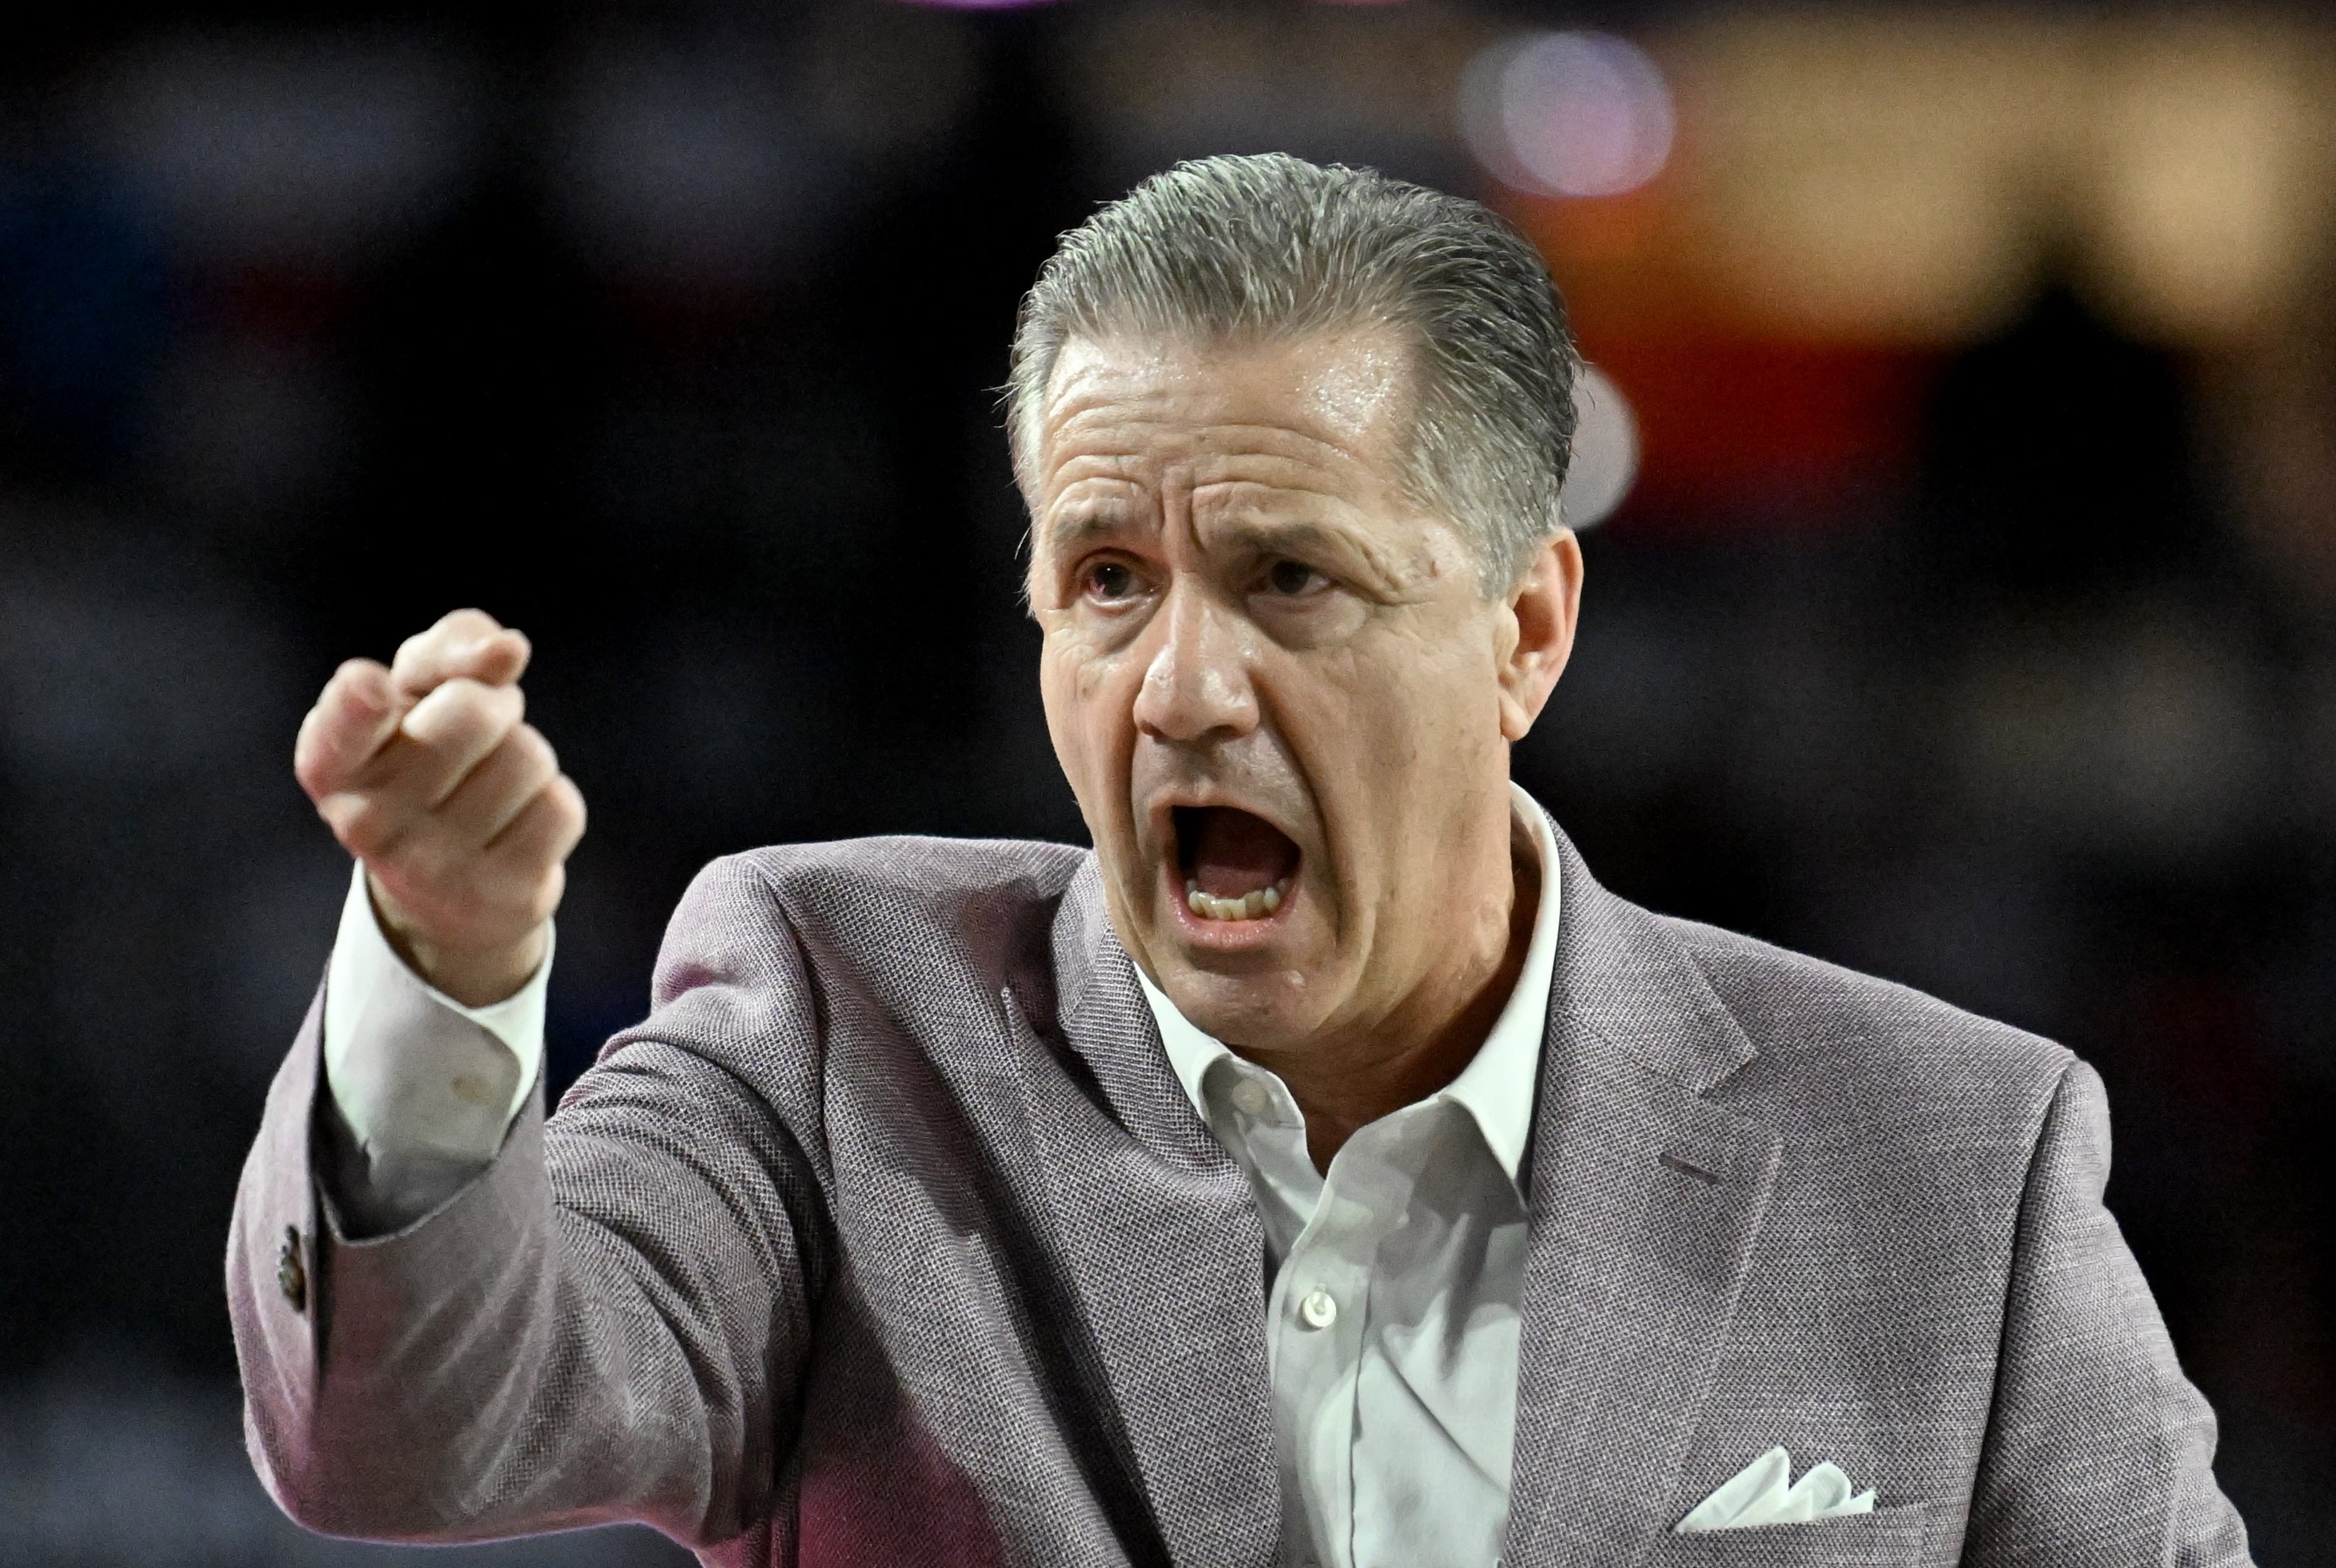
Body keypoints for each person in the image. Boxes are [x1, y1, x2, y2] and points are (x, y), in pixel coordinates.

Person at [228, 154, 2252, 1568]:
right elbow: (413, 1429)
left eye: (1291, 578)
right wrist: (441, 972)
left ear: (1526, 631)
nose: (1182, 685)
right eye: (1109, 578)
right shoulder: (832, 1031)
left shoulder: (1956, 1170)